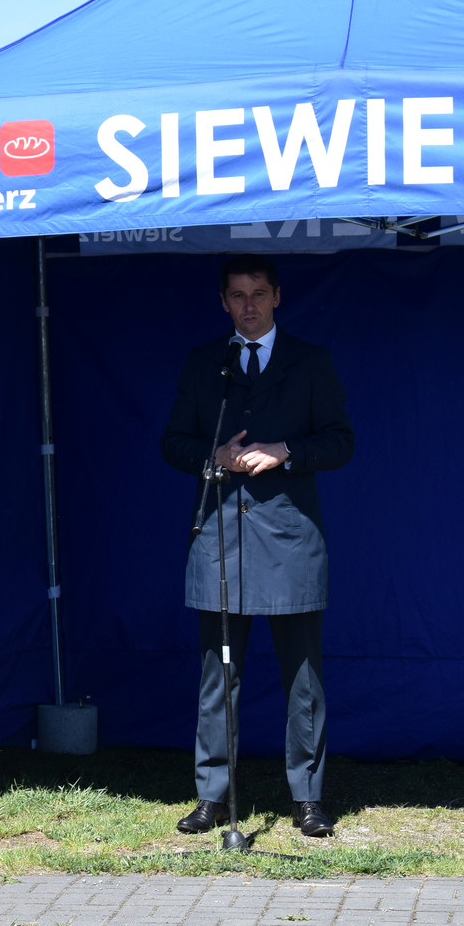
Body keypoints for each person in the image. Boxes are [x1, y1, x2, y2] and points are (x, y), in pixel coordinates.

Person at [159, 254, 354, 840]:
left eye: (259, 293)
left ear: (277, 298)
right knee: (218, 677)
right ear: (223, 302)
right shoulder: (204, 364)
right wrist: (210, 457)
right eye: (238, 295)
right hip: (221, 541)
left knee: (303, 679)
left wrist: (285, 451)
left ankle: (308, 799)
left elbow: (341, 440)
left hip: (291, 542)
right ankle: (212, 795)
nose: (249, 305)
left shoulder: (311, 361)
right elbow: (173, 442)